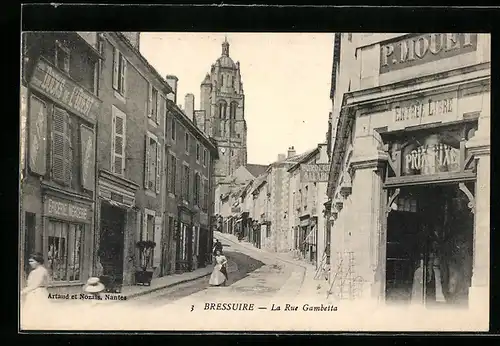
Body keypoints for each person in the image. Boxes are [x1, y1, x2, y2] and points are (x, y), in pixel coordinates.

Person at [21, 252, 50, 323]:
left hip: (38, 294)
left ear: (38, 262)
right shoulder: (34, 271)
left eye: (32, 261)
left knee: (37, 313)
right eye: (29, 261)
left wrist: (23, 291)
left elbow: (36, 284)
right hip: (33, 293)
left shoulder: (41, 271)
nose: (30, 263)